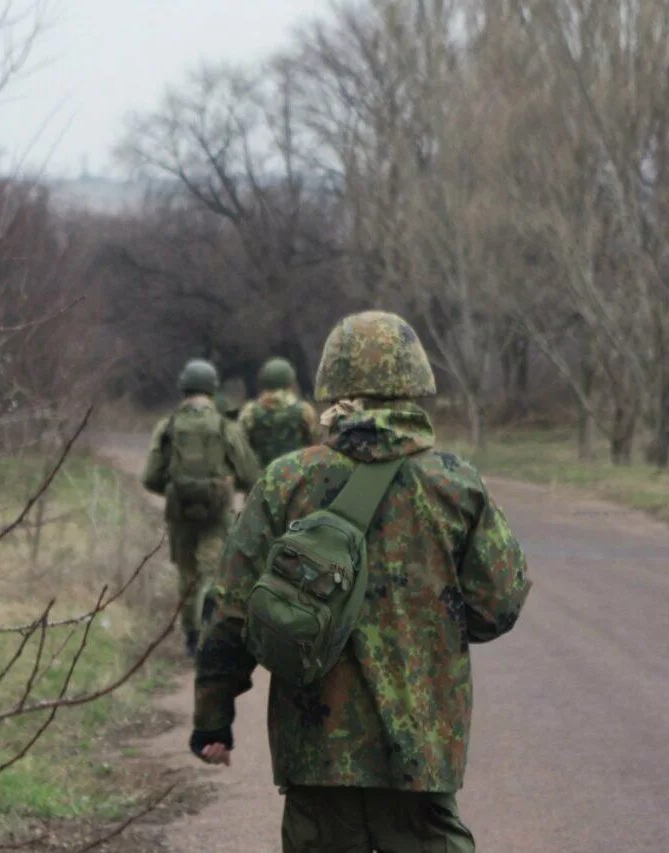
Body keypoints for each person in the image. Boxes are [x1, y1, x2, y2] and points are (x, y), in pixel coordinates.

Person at [190, 312, 531, 852]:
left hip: (316, 757)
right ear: (417, 387)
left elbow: (232, 609)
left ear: (332, 387)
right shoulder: (455, 485)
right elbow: (499, 606)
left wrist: (213, 718)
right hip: (421, 754)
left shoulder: (287, 480)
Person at [143, 358, 260, 657]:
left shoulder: (168, 426)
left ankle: (191, 639)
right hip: (217, 513)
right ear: (212, 388)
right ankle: (210, 626)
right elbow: (250, 475)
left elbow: (150, 478)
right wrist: (227, 487)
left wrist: (175, 490)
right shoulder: (225, 426)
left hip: (180, 514)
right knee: (212, 572)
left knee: (186, 576)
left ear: (183, 386)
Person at [239, 357, 319, 467]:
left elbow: (241, 449)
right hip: (297, 476)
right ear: (290, 381)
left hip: (262, 477)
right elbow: (315, 444)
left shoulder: (250, 412)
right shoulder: (304, 410)